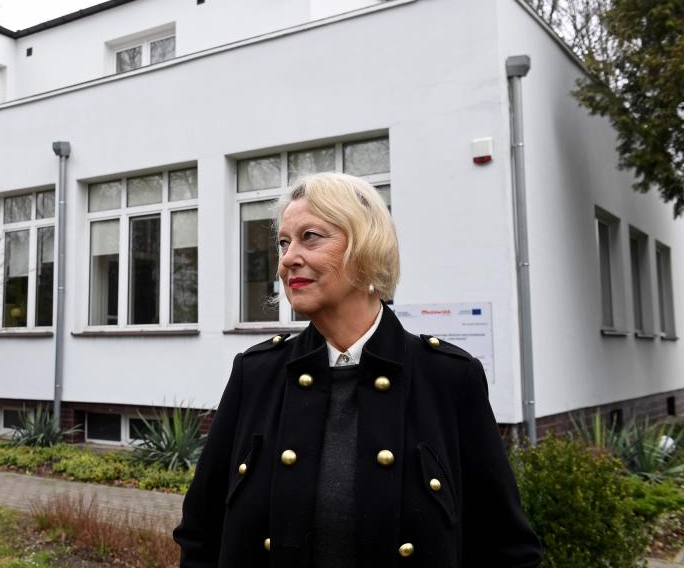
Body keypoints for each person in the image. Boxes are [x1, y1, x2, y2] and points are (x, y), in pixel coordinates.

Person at [173, 172, 542, 567]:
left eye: (310, 236)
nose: (287, 259)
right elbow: (201, 534)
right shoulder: (256, 374)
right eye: (283, 242)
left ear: (366, 246)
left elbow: (506, 549)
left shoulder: (449, 378)